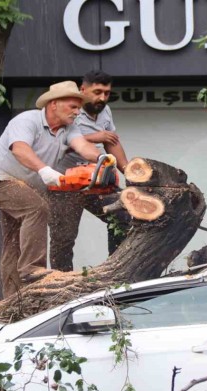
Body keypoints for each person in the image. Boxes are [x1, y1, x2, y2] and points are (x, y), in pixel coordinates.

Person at [0, 81, 104, 297]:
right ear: (54, 104)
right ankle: (33, 268)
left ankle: (13, 299)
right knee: (37, 208)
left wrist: (102, 158)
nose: (77, 112)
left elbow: (83, 146)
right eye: (73, 106)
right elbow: (20, 149)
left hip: (25, 187)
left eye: (78, 107)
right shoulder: (27, 120)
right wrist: (44, 169)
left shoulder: (69, 129)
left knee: (14, 242)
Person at [48, 70, 130, 272]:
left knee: (125, 213)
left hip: (95, 182)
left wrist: (130, 171)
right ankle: (61, 285)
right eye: (97, 92)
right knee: (64, 240)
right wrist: (96, 136)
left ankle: (115, 271)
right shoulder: (68, 109)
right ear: (82, 90)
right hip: (63, 185)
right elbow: (55, 142)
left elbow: (111, 141)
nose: (102, 98)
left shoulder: (105, 111)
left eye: (107, 93)